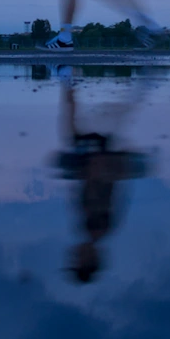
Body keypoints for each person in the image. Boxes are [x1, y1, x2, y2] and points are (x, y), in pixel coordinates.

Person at [52, 66, 151, 283]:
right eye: (77, 259)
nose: (74, 254)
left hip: (98, 160)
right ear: (90, 259)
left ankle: (67, 77)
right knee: (74, 124)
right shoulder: (98, 227)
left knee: (71, 126)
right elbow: (103, 188)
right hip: (100, 159)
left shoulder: (92, 229)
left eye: (74, 258)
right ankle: (67, 75)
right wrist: (96, 165)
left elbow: (93, 190)